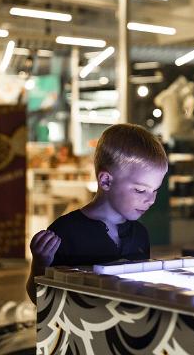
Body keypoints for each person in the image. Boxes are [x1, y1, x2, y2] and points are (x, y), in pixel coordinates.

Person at [25, 123, 168, 304]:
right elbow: (39, 300)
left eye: (155, 190)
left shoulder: (140, 234)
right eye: (140, 190)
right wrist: (40, 263)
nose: (152, 200)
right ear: (106, 181)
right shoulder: (65, 233)